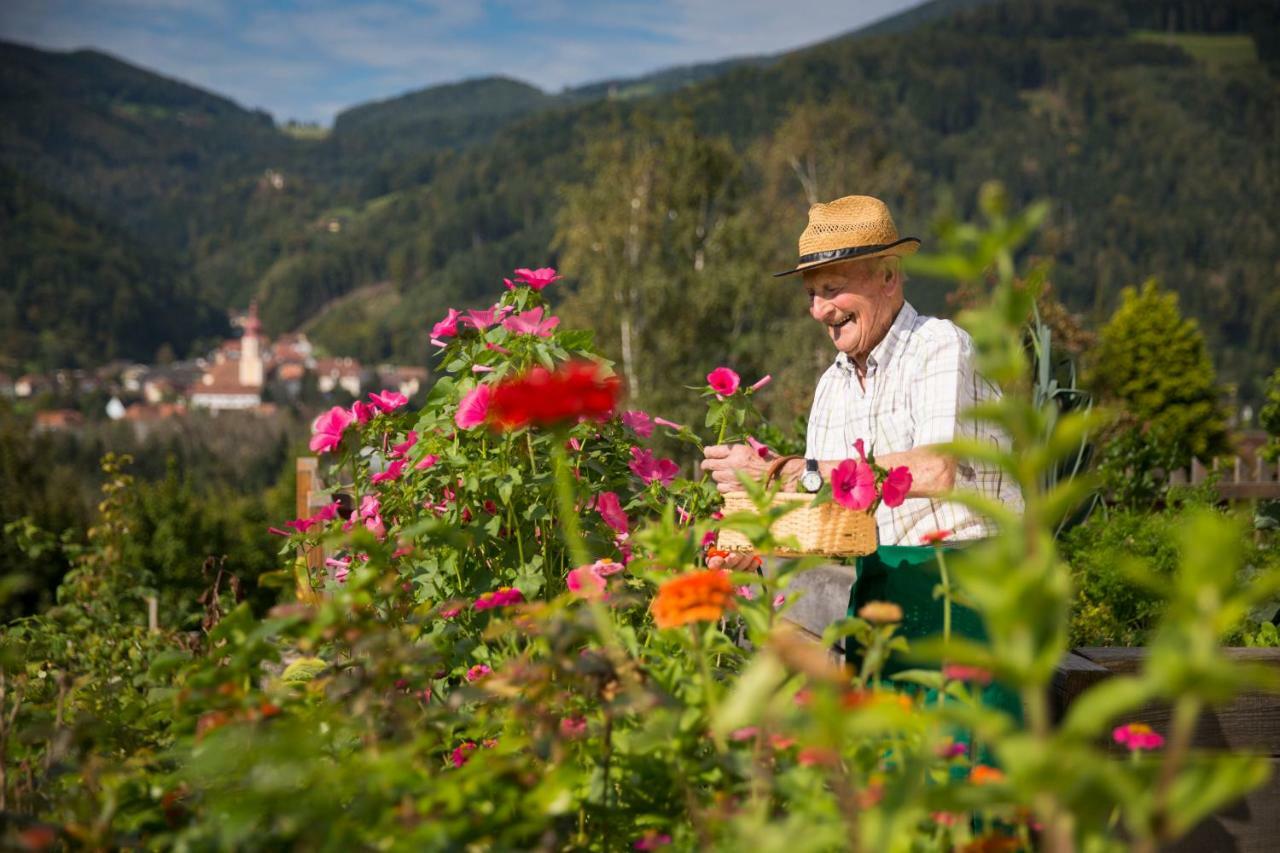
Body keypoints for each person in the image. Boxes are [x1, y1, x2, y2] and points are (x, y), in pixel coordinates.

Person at [700, 195, 1023, 551]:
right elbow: (822, 511)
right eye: (811, 294)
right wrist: (751, 545)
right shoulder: (831, 384)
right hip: (876, 578)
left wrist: (789, 471)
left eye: (831, 290)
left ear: (887, 276)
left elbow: (935, 469)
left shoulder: (937, 346)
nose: (819, 311)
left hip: (966, 570)